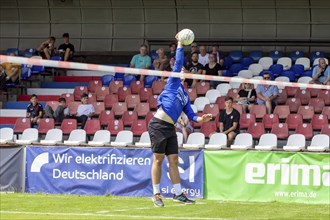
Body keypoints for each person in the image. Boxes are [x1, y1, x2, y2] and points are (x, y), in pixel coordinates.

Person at [148, 33, 212, 207]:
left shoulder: (185, 96)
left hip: (170, 128)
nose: (182, 71)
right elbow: (177, 62)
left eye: (184, 71)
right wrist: (179, 44)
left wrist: (202, 119)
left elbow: (191, 115)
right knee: (158, 159)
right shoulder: (173, 82)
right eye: (181, 70)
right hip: (158, 125)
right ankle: (156, 194)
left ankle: (178, 193)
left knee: (174, 160)